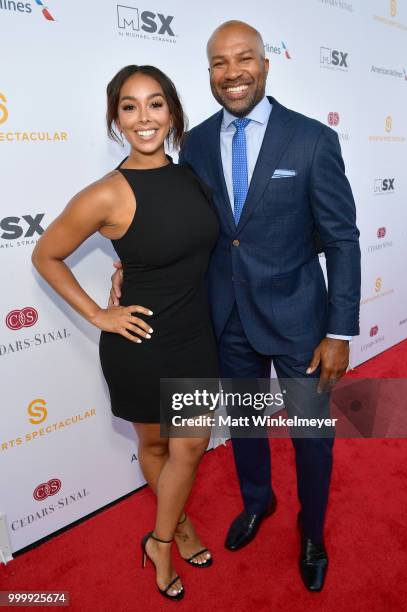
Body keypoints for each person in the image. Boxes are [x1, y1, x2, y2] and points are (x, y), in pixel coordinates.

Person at [110, 21, 361, 592]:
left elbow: (343, 239)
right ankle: (257, 502)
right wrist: (131, 265)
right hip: (226, 318)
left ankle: (313, 530)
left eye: (243, 59)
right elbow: (180, 221)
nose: (232, 73)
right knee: (246, 427)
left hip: (300, 320)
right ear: (209, 74)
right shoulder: (194, 142)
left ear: (265, 65)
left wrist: (340, 331)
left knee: (310, 435)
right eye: (219, 64)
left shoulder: (313, 139)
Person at [32, 65, 220, 601]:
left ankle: (158, 539)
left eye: (155, 104)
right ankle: (177, 526)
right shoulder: (107, 193)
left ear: (173, 113)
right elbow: (46, 254)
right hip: (141, 341)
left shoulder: (191, 176)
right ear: (116, 117)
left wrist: (125, 270)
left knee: (192, 443)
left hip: (194, 334)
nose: (144, 118)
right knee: (156, 443)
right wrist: (98, 313)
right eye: (130, 106)